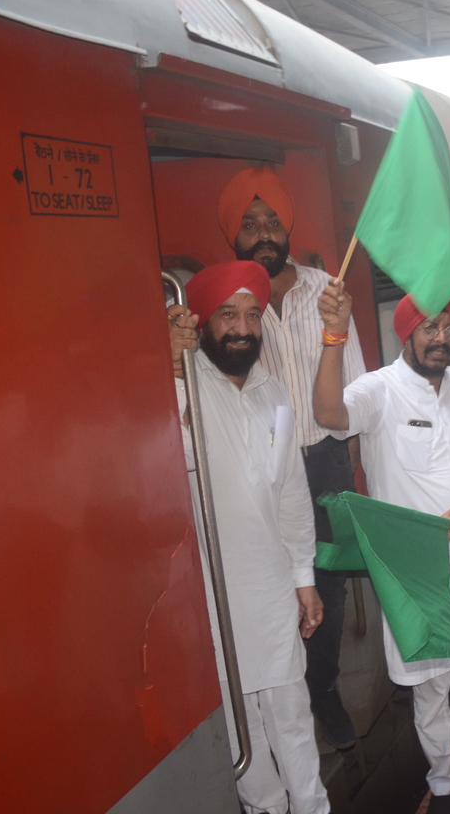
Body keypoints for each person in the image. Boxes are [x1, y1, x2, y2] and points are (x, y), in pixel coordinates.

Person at [312, 283, 450, 814]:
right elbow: (328, 414)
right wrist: (334, 336)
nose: (442, 338)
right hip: (413, 571)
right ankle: (443, 787)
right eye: (430, 328)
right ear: (407, 332)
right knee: (430, 688)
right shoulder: (378, 389)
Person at [169, 261, 329, 814]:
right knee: (241, 726)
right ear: (201, 321)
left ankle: (312, 808)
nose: (242, 329)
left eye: (253, 315)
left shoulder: (276, 394)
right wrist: (170, 369)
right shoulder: (180, 385)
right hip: (210, 597)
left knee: (292, 715)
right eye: (227, 315)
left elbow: (291, 492)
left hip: (269, 584)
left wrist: (303, 577)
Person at [217, 166, 367, 748]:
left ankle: (322, 690)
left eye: (272, 221)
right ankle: (277, 699)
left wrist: (353, 473)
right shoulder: (227, 304)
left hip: (324, 460)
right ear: (233, 233)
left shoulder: (329, 292)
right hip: (256, 469)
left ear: (288, 227)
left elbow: (354, 390)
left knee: (325, 585)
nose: (263, 234)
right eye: (250, 223)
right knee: (269, 581)